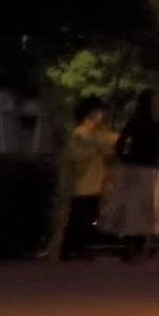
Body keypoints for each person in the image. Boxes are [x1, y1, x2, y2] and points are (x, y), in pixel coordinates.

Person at [102, 89, 159, 259]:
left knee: (131, 207)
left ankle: (131, 243)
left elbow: (119, 145)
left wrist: (125, 157)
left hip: (133, 168)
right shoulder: (158, 126)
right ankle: (144, 242)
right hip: (151, 170)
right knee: (148, 208)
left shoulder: (134, 123)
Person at [59, 101, 114, 260]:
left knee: (88, 217)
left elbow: (110, 143)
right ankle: (70, 249)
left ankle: (81, 247)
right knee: (79, 217)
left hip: (94, 182)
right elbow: (76, 156)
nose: (101, 117)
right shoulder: (80, 134)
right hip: (82, 183)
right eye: (97, 113)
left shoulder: (97, 134)